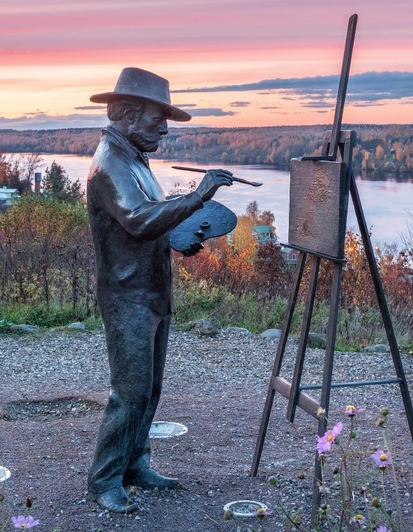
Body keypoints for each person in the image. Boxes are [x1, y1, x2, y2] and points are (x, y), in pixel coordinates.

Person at [84, 67, 233, 513]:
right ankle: (104, 479)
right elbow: (138, 219)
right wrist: (198, 196)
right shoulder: (110, 163)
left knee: (149, 390)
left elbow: (152, 223)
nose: (164, 129)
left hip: (151, 291)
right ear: (128, 116)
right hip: (127, 296)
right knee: (128, 393)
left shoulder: (135, 158)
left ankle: (135, 464)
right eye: (157, 119)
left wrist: (180, 235)